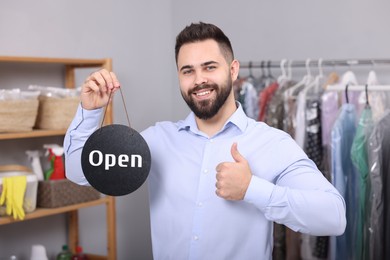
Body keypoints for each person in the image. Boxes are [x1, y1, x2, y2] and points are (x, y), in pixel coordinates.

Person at [64, 22, 346, 259]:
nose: (199, 80)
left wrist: (252, 189)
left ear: (233, 70)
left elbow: (334, 217)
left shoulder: (273, 143)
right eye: (188, 71)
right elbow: (78, 173)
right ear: (179, 76)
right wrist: (90, 112)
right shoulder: (156, 141)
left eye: (209, 67)